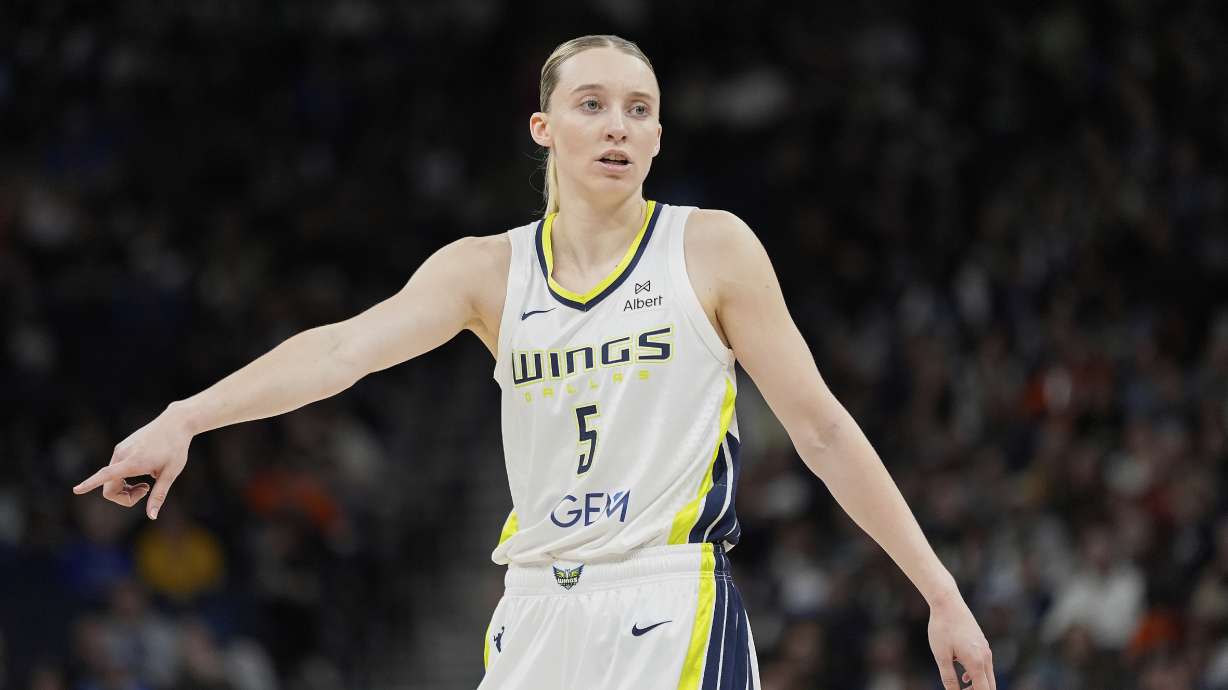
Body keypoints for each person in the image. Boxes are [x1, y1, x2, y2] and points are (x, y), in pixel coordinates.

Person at [72, 34, 996, 690]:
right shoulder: (485, 269)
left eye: (639, 110)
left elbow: (824, 430)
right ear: (543, 128)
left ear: (660, 138)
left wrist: (940, 593)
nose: (617, 126)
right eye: (591, 106)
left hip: (669, 601)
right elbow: (341, 352)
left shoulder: (709, 249)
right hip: (533, 611)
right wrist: (187, 415)